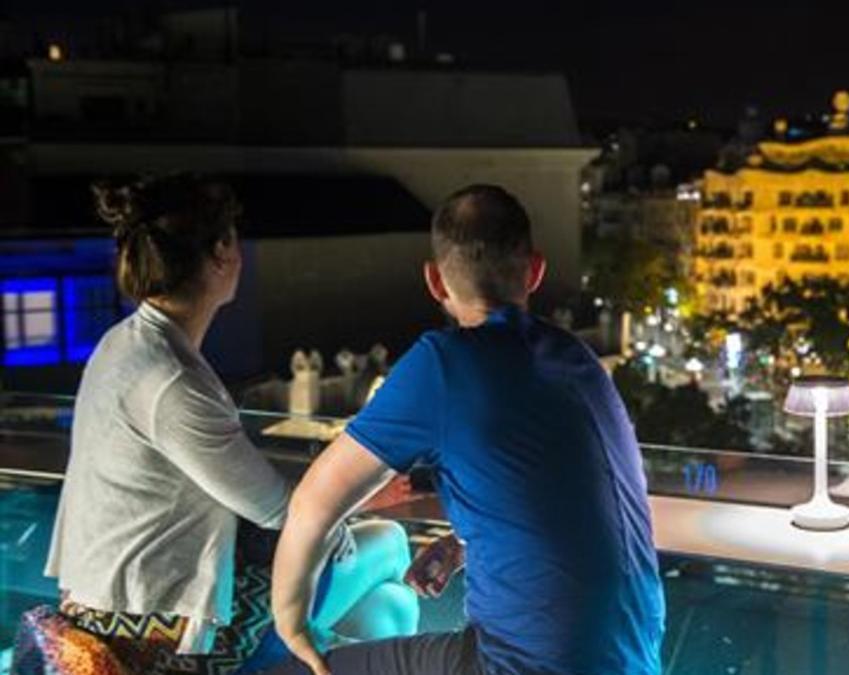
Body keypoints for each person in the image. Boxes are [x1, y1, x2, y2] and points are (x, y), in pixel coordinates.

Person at [269, 185, 666, 675]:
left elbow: (313, 503)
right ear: (535, 271)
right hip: (635, 658)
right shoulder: (576, 358)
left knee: (289, 671)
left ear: (435, 281)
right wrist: (462, 546)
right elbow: (563, 495)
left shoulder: (445, 363)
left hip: (521, 666)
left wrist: (290, 625)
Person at [45, 174, 420, 674]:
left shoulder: (124, 344)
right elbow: (280, 511)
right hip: (165, 629)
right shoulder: (171, 379)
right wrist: (360, 495)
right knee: (390, 545)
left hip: (102, 603)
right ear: (222, 253)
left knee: (389, 610)